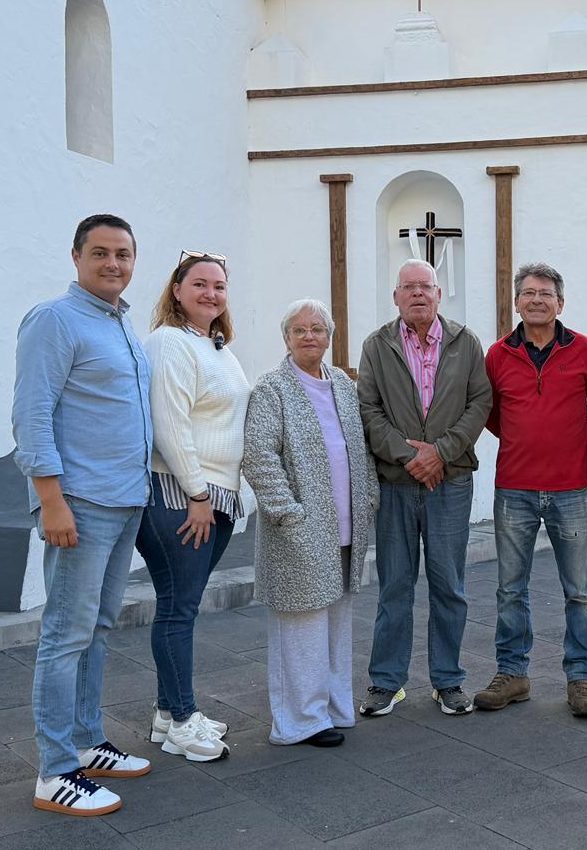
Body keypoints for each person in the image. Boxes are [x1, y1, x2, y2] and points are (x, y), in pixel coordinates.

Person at [13, 213, 154, 817]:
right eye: (100, 253)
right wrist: (51, 500)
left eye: (123, 254)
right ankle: (55, 771)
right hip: (81, 502)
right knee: (65, 634)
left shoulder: (121, 326)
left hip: (125, 499)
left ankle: (87, 741)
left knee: (96, 627)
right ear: (76, 258)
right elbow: (32, 414)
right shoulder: (54, 320)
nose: (113, 264)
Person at [356, 259, 492, 718]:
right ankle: (386, 682)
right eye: (408, 287)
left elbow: (480, 403)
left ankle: (448, 680)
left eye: (425, 287)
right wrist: (410, 455)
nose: (417, 294)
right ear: (396, 297)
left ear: (439, 294)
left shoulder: (465, 342)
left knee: (449, 585)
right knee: (395, 584)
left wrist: (442, 452)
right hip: (396, 483)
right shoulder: (377, 345)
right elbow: (368, 410)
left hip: (450, 482)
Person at [243, 300, 378, 746]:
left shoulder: (341, 382)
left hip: (344, 526)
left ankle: (335, 708)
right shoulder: (272, 389)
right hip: (298, 530)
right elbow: (259, 457)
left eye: (318, 329)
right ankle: (301, 720)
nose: (309, 337)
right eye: (299, 330)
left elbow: (357, 447)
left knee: (337, 624)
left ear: (330, 336)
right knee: (301, 627)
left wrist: (369, 497)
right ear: (286, 338)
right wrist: (287, 513)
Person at [476, 263, 587, 717]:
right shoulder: (497, 355)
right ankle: (512, 674)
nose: (537, 300)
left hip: (571, 489)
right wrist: (519, 436)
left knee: (580, 591)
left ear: (560, 303)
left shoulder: (584, 350)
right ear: (516, 302)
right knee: (510, 589)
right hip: (513, 488)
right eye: (528, 293)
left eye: (546, 293)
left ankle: (581, 679)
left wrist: (581, 436)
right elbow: (489, 412)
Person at [134, 250, 250, 764]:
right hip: (181, 496)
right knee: (178, 610)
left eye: (219, 285)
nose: (210, 293)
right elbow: (170, 423)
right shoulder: (169, 342)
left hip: (214, 497)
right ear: (177, 290)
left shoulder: (219, 347)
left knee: (180, 607)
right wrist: (198, 494)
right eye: (199, 284)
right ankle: (182, 721)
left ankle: (166, 712)